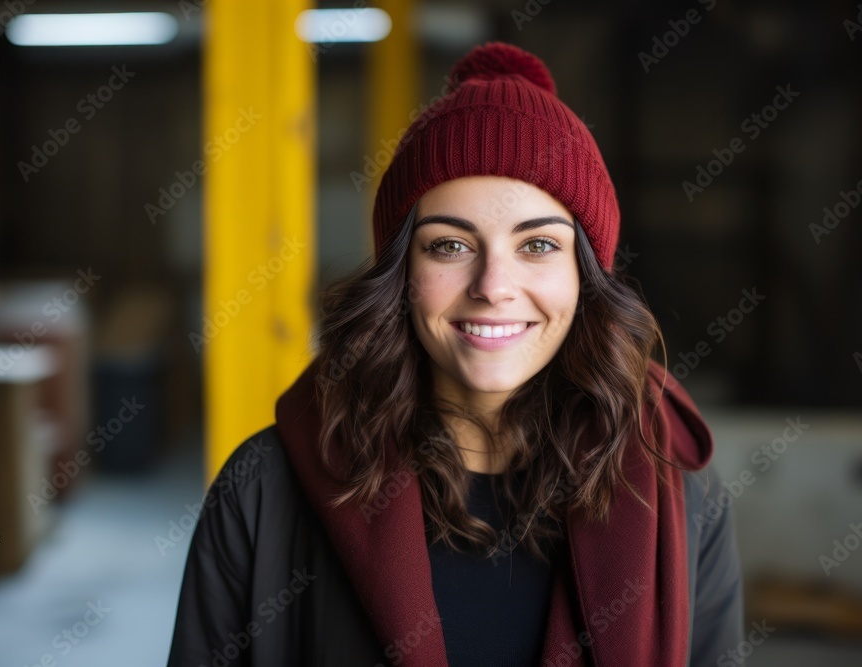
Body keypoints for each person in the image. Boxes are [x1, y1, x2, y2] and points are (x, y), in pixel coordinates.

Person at [167, 42, 743, 667]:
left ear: (586, 278)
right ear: (401, 273)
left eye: (539, 246)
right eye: (449, 246)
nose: (493, 286)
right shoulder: (264, 491)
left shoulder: (679, 492)